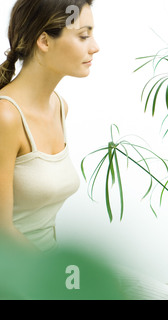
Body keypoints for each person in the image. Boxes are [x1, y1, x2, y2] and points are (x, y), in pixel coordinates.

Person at [0, 0, 100, 252]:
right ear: (44, 41)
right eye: (83, 36)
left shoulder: (59, 106)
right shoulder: (6, 117)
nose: (95, 47)